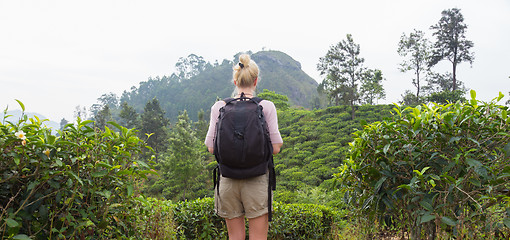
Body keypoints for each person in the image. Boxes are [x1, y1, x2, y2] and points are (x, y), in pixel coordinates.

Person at [204, 53, 283, 240]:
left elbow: (211, 147)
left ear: (235, 81)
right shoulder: (267, 106)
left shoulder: (219, 107)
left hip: (228, 181)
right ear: (255, 81)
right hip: (257, 179)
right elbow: (276, 147)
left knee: (235, 237)